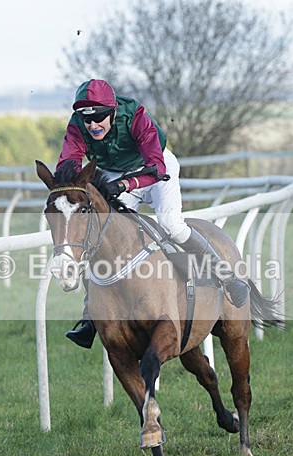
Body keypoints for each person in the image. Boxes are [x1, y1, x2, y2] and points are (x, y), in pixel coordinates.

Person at [55, 79, 250, 348]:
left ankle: (227, 278)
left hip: (155, 169)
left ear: (112, 111)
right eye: (87, 119)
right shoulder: (78, 126)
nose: (93, 125)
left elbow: (156, 166)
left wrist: (126, 184)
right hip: (114, 174)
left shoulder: (135, 117)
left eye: (99, 118)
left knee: (171, 225)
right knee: (100, 233)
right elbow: (68, 164)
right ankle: (91, 315)